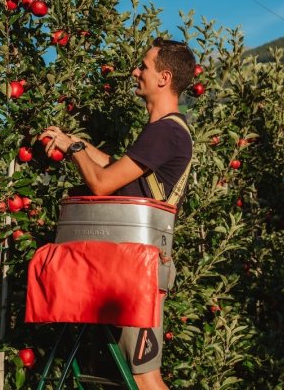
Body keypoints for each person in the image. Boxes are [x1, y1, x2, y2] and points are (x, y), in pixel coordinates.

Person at [39, 37, 196, 390]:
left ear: (164, 78)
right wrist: (71, 142)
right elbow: (115, 167)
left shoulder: (167, 132)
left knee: (144, 378)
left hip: (138, 272)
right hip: (125, 267)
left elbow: (102, 184)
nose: (135, 71)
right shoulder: (162, 131)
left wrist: (75, 148)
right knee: (121, 374)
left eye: (144, 66)